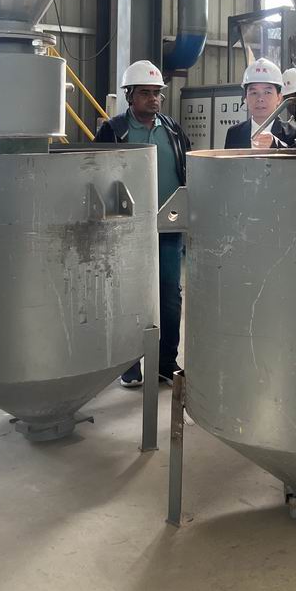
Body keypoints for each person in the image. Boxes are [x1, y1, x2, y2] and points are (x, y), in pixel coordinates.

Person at [96, 60, 190, 388]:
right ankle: (129, 364)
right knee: (129, 296)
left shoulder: (173, 130)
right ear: (129, 96)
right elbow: (99, 175)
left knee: (170, 296)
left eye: (157, 93)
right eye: (145, 93)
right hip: (127, 230)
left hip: (168, 228)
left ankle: (165, 363)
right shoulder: (113, 131)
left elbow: (187, 168)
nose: (153, 99)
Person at [224, 58, 296, 149]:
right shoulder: (234, 133)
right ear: (246, 98)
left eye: (267, 92)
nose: (260, 99)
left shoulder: (292, 135)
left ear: (279, 98)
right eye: (254, 93)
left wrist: (275, 144)